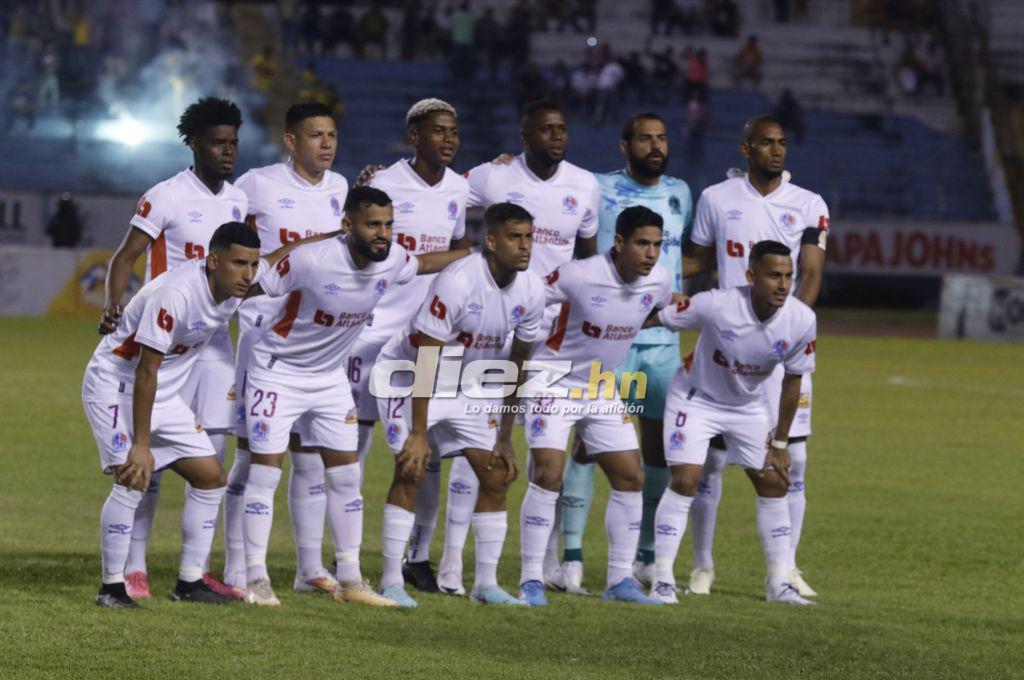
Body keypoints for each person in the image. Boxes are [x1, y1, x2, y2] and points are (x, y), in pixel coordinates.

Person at [239, 186, 471, 607]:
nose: (383, 233)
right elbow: (252, 285)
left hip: (329, 378)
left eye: (388, 224)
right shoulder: (311, 260)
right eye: (372, 225)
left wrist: (476, 256)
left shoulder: (393, 258)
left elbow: (422, 264)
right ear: (347, 226)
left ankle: (350, 579)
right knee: (266, 475)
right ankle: (256, 579)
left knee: (346, 477)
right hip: (277, 373)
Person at [440, 100, 600, 595]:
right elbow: (442, 194)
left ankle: (545, 562)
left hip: (557, 338)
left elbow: (589, 263)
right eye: (546, 129)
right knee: (480, 443)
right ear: (524, 133)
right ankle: (450, 563)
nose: (556, 136)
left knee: (546, 456)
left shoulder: (585, 185)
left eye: (562, 128)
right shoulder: (492, 176)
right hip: (495, 330)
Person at [98, 97, 248, 600]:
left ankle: (193, 572)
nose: (228, 152)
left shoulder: (238, 200)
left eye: (233, 143)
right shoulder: (165, 195)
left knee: (209, 455)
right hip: (159, 333)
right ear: (194, 143)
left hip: (207, 341)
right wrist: (114, 304)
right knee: (147, 463)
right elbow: (126, 257)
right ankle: (132, 568)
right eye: (218, 143)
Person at [85, 223, 280, 607]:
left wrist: (333, 237)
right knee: (132, 478)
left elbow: (284, 258)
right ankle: (111, 587)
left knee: (210, 477)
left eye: (253, 265)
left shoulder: (234, 285)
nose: (248, 274)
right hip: (116, 387)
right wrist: (142, 445)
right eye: (239, 263)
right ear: (213, 260)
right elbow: (145, 370)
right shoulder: (176, 294)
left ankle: (190, 582)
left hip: (164, 396)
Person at [682, 115, 829, 598]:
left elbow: (809, 276)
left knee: (795, 459)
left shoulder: (808, 204)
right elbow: (697, 267)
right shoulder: (715, 199)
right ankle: (703, 565)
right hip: (727, 351)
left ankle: (784, 570)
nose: (777, 150)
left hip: (780, 349)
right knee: (711, 463)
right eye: (766, 143)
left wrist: (786, 333)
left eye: (783, 143)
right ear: (746, 149)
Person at [374, 203, 545, 608]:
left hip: (468, 384)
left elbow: (518, 363)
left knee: (498, 473)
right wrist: (418, 433)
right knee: (411, 468)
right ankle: (389, 581)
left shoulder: (532, 288)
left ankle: (486, 586)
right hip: (409, 374)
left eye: (529, 237)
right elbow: (427, 357)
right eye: (514, 237)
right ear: (490, 241)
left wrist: (505, 435)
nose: (525, 246)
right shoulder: (458, 281)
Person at [556, 113, 693, 594]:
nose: (654, 146)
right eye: (644, 138)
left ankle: (645, 557)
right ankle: (570, 555)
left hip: (660, 343)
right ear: (624, 145)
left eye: (661, 137)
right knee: (588, 447)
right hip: (607, 340)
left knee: (656, 452)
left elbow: (686, 255)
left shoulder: (681, 192)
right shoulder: (597, 186)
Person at [647, 240, 817, 605]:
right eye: (774, 275)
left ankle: (778, 583)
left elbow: (793, 380)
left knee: (773, 483)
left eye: (789, 275)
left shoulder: (802, 319)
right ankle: (662, 579)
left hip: (747, 405)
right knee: (686, 479)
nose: (784, 285)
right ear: (752, 276)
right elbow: (657, 318)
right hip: (696, 399)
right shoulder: (715, 304)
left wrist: (781, 443)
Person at [224, 101, 349, 597]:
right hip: (264, 334)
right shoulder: (258, 184)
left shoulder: (341, 189)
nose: (327, 144)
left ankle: (309, 568)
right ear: (291, 141)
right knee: (253, 451)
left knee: (310, 455)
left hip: (316, 342)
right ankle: (238, 569)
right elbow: (229, 236)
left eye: (332, 134)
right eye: (316, 135)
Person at [518, 205, 672, 606]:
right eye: (642, 243)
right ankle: (531, 578)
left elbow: (658, 310)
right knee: (549, 474)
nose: (651, 254)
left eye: (657, 245)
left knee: (630, 477)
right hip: (552, 381)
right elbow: (530, 295)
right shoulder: (579, 275)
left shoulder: (659, 281)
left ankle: (620, 580)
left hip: (601, 387)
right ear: (619, 242)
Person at [347, 98, 472, 595]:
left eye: (453, 132)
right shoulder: (381, 184)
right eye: (438, 131)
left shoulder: (461, 188)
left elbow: (455, 253)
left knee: (429, 449)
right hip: (370, 329)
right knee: (352, 446)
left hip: (426, 338)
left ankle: (416, 556)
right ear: (414, 136)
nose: (448, 140)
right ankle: (349, 558)